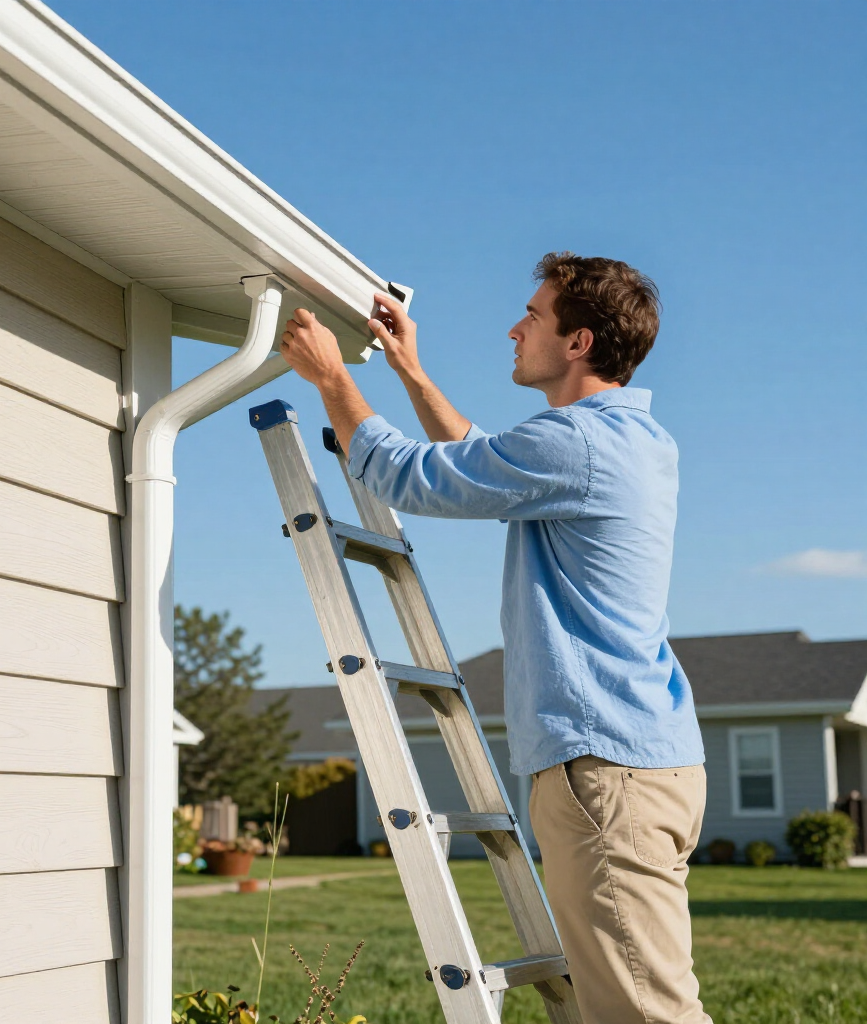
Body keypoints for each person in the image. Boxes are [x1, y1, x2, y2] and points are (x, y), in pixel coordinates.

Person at [277, 252, 710, 1024]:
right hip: (644, 760)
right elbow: (482, 460)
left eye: (534, 316)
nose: (514, 328)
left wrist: (333, 381)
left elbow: (411, 477)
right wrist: (409, 369)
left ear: (577, 343)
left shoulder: (576, 445)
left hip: (604, 766)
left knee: (648, 1014)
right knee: (623, 1000)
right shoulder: (618, 441)